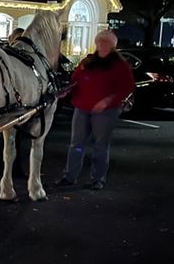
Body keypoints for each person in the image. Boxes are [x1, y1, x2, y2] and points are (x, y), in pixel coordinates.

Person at [54, 30, 136, 190]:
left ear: (113, 46)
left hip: (105, 112)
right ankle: (69, 176)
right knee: (76, 144)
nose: (103, 45)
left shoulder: (120, 65)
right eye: (101, 42)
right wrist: (67, 90)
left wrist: (108, 100)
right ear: (96, 43)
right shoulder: (88, 61)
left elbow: (127, 87)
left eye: (106, 42)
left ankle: (97, 178)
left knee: (100, 146)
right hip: (82, 108)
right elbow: (76, 80)